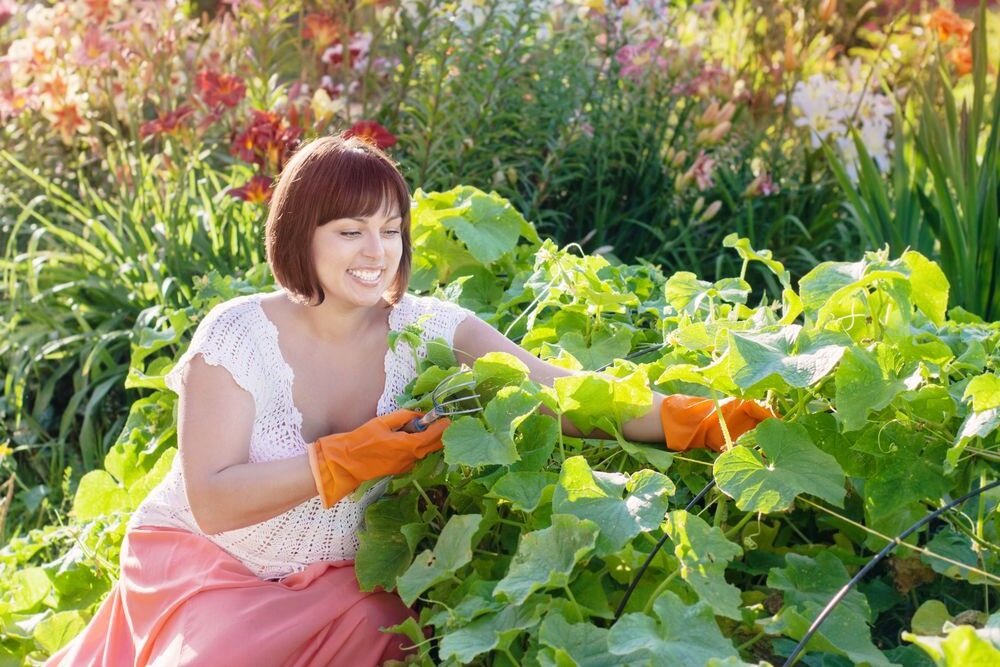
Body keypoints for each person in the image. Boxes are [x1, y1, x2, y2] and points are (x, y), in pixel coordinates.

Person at [47, 135, 774, 666]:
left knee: (387, 633)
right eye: (351, 230)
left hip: (340, 577)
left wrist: (693, 419)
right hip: (213, 563)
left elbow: (559, 393)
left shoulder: (427, 329)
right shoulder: (237, 334)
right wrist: (345, 457)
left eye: (391, 230)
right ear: (301, 235)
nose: (377, 251)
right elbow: (213, 500)